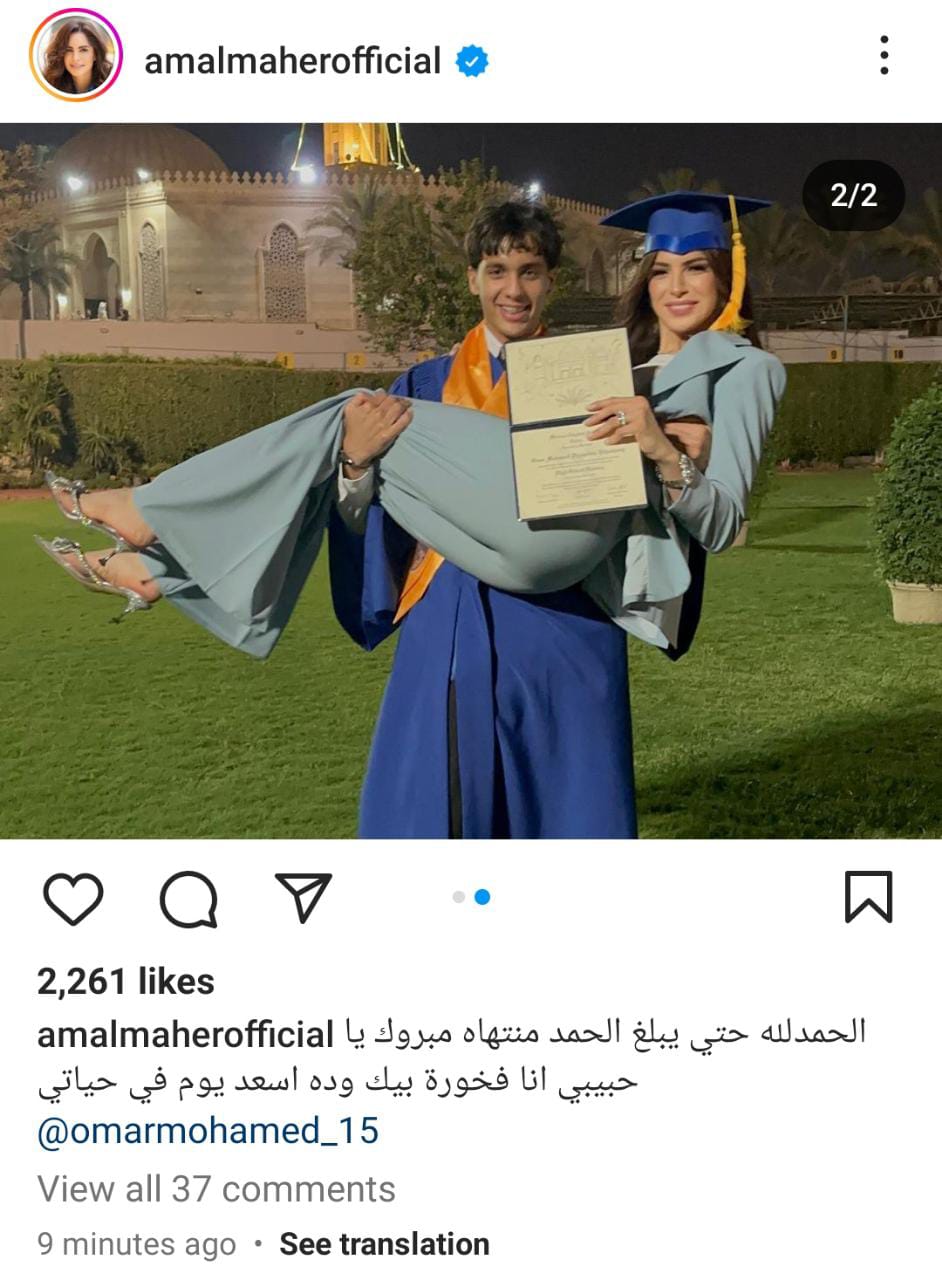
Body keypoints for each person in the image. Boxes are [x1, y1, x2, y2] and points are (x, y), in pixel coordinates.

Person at [37, 193, 784, 840]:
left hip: (561, 627)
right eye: (496, 271)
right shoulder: (424, 385)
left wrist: (666, 452)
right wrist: (356, 468)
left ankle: (157, 543)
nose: (513, 289)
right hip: (447, 612)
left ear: (551, 282)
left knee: (563, 819)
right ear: (472, 279)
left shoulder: (590, 375)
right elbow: (364, 518)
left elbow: (701, 507)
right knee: (426, 819)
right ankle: (160, 557)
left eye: (530, 272)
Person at [42, 20, 113, 95]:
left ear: (95, 54)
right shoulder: (48, 86)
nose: (75, 58)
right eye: (68, 50)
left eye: (83, 50)